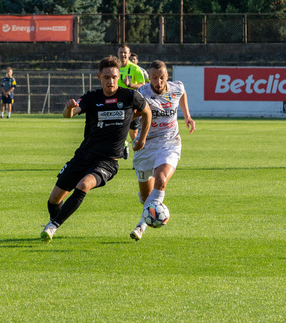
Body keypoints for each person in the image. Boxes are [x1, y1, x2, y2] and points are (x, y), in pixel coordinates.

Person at [41, 56, 152, 242]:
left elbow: (147, 111)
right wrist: (69, 108)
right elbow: (69, 114)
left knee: (84, 185)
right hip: (83, 155)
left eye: (114, 77)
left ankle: (52, 227)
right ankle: (55, 220)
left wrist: (141, 139)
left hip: (108, 161)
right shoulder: (92, 97)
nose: (111, 81)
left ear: (119, 76)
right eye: (107, 77)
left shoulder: (129, 96)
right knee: (54, 199)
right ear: (99, 77)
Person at [129, 60, 195, 241]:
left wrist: (187, 116)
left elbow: (182, 94)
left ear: (168, 77)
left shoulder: (177, 87)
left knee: (161, 180)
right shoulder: (142, 93)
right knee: (145, 196)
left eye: (162, 78)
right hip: (145, 146)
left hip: (169, 143)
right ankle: (150, 201)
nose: (158, 82)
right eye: (154, 78)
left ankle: (141, 226)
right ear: (149, 77)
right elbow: (131, 115)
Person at [117, 45, 149, 159]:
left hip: (131, 105)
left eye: (125, 52)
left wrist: (130, 85)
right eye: (121, 52)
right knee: (115, 128)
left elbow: (143, 85)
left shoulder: (135, 69)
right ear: (118, 54)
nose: (123, 55)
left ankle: (137, 156)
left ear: (129, 54)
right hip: (117, 103)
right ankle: (124, 144)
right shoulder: (115, 68)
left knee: (134, 134)